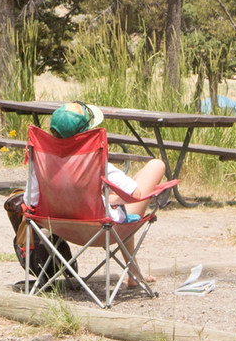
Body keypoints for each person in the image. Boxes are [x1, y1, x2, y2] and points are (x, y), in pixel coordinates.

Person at [26, 101, 165, 285]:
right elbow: (136, 194)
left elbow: (30, 200)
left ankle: (133, 273)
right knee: (156, 165)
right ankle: (133, 273)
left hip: (61, 227)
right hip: (102, 230)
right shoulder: (95, 163)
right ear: (85, 134)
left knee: (119, 205)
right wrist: (112, 199)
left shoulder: (41, 162)